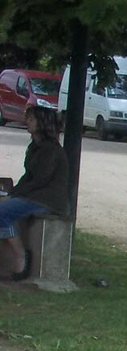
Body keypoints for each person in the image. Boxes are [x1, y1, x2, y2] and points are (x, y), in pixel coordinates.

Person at [1, 106, 68, 282]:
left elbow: (40, 180)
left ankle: (21, 256)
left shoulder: (50, 149)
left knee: (2, 212)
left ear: (42, 123)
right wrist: (13, 192)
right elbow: (28, 176)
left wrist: (14, 196)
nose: (27, 122)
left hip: (47, 199)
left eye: (31, 119)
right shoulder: (34, 147)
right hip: (35, 195)